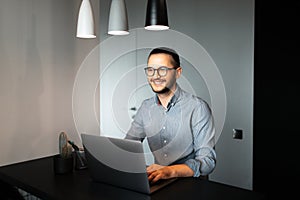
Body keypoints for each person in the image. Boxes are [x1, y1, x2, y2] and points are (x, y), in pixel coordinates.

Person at [125, 47, 216, 183]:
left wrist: (169, 171)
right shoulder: (146, 107)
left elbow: (207, 162)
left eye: (162, 69)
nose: (155, 76)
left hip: (191, 185)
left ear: (177, 72)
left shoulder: (198, 108)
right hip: (158, 181)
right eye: (150, 70)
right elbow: (128, 146)